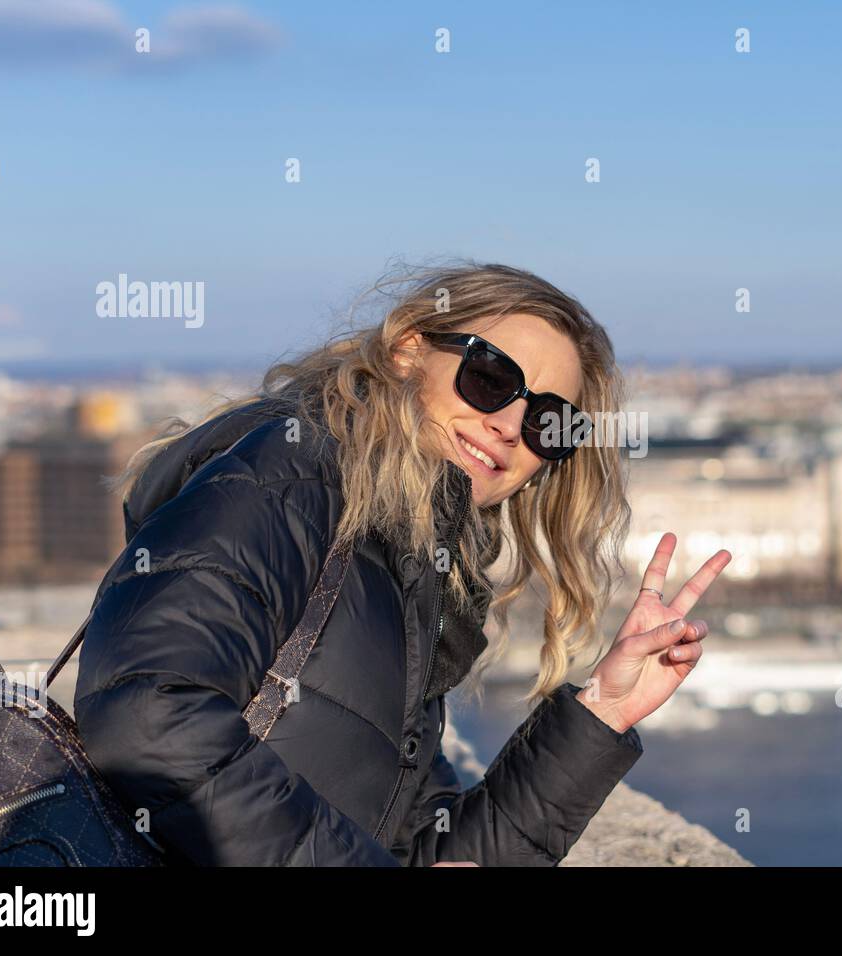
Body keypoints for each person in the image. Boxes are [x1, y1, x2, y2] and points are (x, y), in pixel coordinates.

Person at [73, 261, 731, 866]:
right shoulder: (293, 480)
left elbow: (424, 851)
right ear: (408, 350)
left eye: (547, 422)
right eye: (492, 379)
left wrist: (603, 713)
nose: (509, 424)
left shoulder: (406, 571)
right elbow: (148, 717)